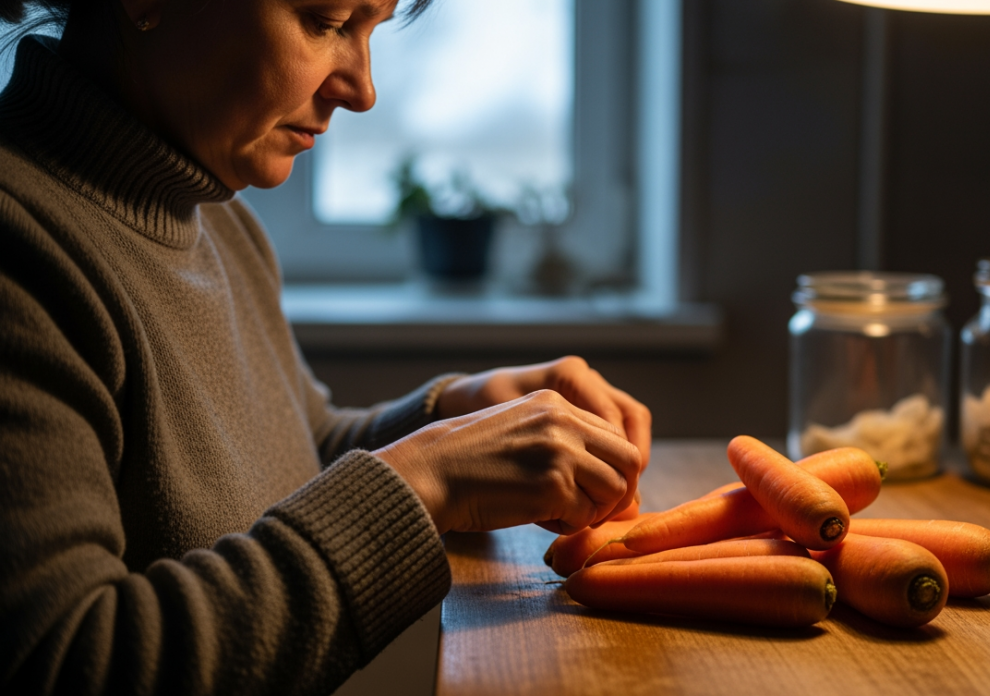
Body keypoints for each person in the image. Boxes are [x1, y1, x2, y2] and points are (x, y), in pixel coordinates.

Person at [0, 0, 651, 694]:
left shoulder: (222, 226)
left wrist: (449, 415)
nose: (363, 91)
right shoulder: (22, 250)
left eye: (372, 30)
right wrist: (430, 481)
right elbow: (70, 659)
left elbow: (292, 454)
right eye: (326, 20)